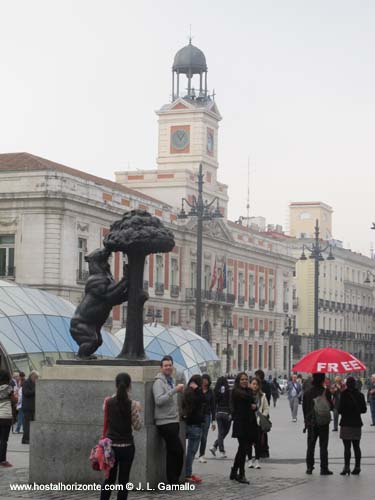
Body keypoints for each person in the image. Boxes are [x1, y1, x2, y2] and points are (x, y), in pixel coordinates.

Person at [100, 373, 142, 500]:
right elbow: (138, 426)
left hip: (110, 447)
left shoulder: (107, 402)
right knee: (123, 481)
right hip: (127, 447)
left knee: (109, 479)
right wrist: (138, 411)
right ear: (129, 386)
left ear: (116, 385)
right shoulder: (133, 404)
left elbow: (107, 417)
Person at [152, 356, 184, 485]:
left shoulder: (171, 380)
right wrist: (174, 391)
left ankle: (173, 480)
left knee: (172, 452)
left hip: (173, 420)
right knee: (178, 451)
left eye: (170, 365)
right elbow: (158, 400)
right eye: (165, 365)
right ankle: (173, 479)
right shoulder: (158, 382)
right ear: (161, 367)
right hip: (164, 422)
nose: (168, 367)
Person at [303, 372, 333, 475]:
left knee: (310, 446)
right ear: (322, 380)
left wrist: (306, 421)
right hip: (323, 422)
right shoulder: (326, 392)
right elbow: (331, 407)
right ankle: (324, 468)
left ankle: (309, 467)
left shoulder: (307, 392)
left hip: (311, 422)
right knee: (323, 446)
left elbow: (304, 409)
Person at [230, 372, 256, 484]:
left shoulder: (248, 391)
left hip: (249, 423)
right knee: (243, 448)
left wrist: (255, 406)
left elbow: (254, 404)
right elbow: (249, 398)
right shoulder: (236, 391)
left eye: (246, 379)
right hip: (240, 424)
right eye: (242, 379)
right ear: (238, 381)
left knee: (242, 449)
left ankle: (234, 471)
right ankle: (241, 474)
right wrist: (252, 399)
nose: (245, 381)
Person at [338, 376, 367, 475]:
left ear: (347, 384)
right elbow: (364, 410)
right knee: (356, 446)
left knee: (347, 448)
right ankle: (357, 466)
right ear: (355, 384)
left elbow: (339, 410)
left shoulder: (343, 394)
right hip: (356, 424)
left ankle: (346, 467)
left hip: (346, 424)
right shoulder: (360, 395)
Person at [182, 374, 204, 483]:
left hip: (187, 424)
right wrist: (199, 390)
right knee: (192, 451)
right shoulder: (196, 394)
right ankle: (187, 474)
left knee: (189, 451)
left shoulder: (187, 392)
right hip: (195, 426)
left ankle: (186, 473)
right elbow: (202, 400)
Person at [248, 377, 269, 470]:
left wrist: (262, 416)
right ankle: (249, 460)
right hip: (248, 420)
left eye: (256, 384)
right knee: (248, 442)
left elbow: (266, 408)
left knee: (257, 442)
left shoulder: (263, 395)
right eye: (253, 384)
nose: (255, 386)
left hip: (258, 421)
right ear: (250, 384)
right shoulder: (247, 395)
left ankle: (257, 460)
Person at [209, 376, 231, 458]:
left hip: (218, 413)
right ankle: (221, 450)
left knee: (221, 432)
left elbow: (213, 404)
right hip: (227, 413)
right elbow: (231, 403)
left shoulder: (215, 392)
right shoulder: (229, 391)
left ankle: (214, 446)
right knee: (225, 432)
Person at [0, 369, 17, 466]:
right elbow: (14, 400)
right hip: (5, 417)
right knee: (3, 440)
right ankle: (2, 460)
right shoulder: (8, 388)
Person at [198, 374, 216, 463]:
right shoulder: (197, 390)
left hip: (206, 416)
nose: (205, 381)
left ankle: (201, 455)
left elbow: (213, 407)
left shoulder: (211, 392)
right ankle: (194, 452)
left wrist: (213, 421)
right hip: (197, 415)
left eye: (206, 380)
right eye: (203, 379)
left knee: (204, 436)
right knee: (196, 435)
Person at [254, 370, 271, 458]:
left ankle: (263, 450)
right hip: (264, 412)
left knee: (261, 433)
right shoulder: (267, 385)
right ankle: (264, 450)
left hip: (262, 413)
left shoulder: (262, 387)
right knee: (262, 433)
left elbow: (266, 399)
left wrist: (263, 415)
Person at [21, 370, 39, 445]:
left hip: (32, 407)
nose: (36, 379)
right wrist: (35, 390)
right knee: (27, 424)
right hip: (28, 407)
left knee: (31, 424)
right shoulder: (26, 382)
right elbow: (26, 392)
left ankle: (29, 438)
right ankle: (25, 439)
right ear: (31, 376)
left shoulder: (33, 383)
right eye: (35, 377)